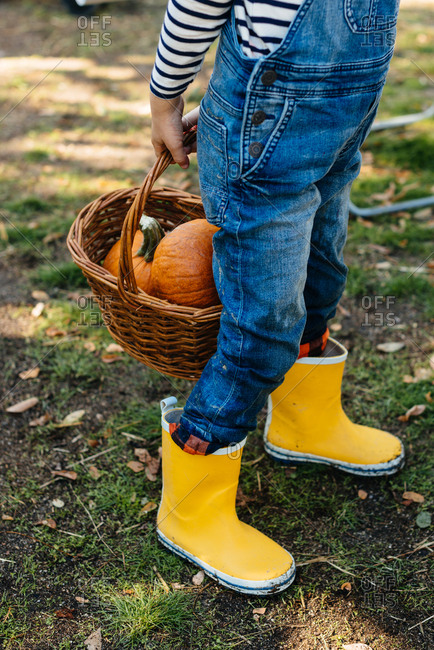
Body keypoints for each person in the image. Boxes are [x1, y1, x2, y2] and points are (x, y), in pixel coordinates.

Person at [150, 0, 405, 595]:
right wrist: (166, 98)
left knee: (322, 281)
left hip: (335, 131)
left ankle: (302, 423)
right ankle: (191, 500)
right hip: (261, 141)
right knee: (261, 331)